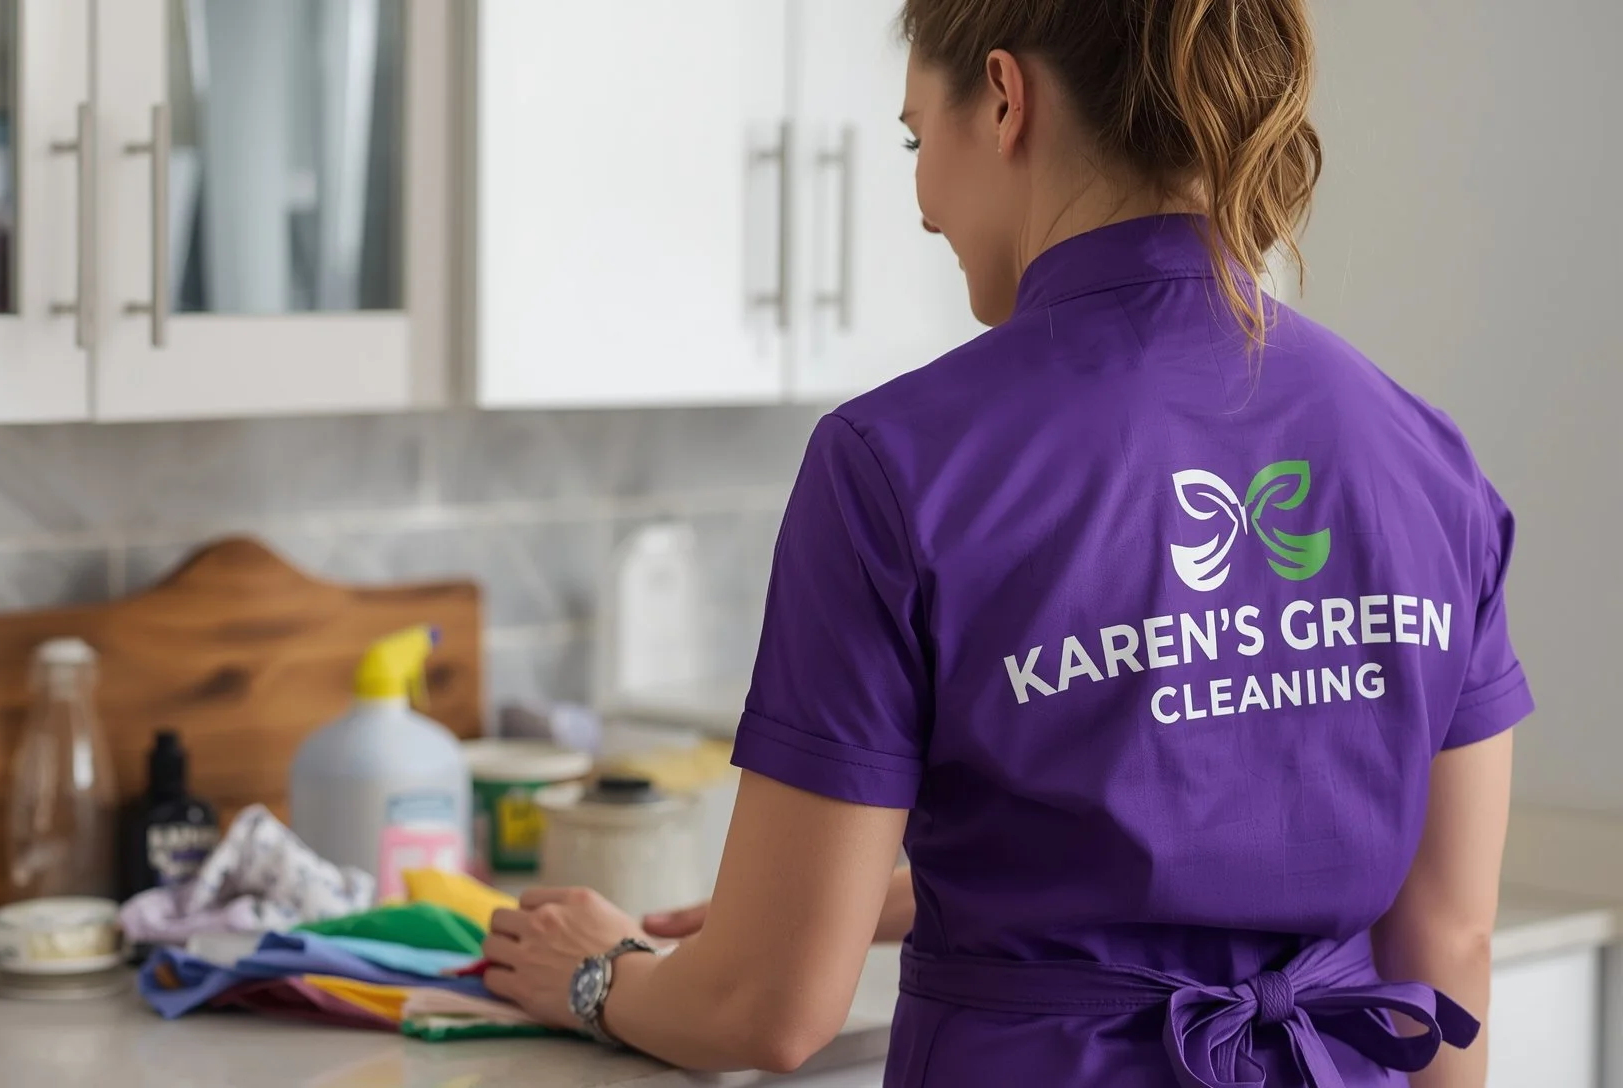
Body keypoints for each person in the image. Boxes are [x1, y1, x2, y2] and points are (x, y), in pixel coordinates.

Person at [481, 1, 1531, 1084]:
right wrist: (943, 887)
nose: (924, 202)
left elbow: (765, 1005)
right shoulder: (1427, 459)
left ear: (1002, 97)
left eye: (913, 137)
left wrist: (595, 968)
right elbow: (1445, 949)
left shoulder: (894, 462)